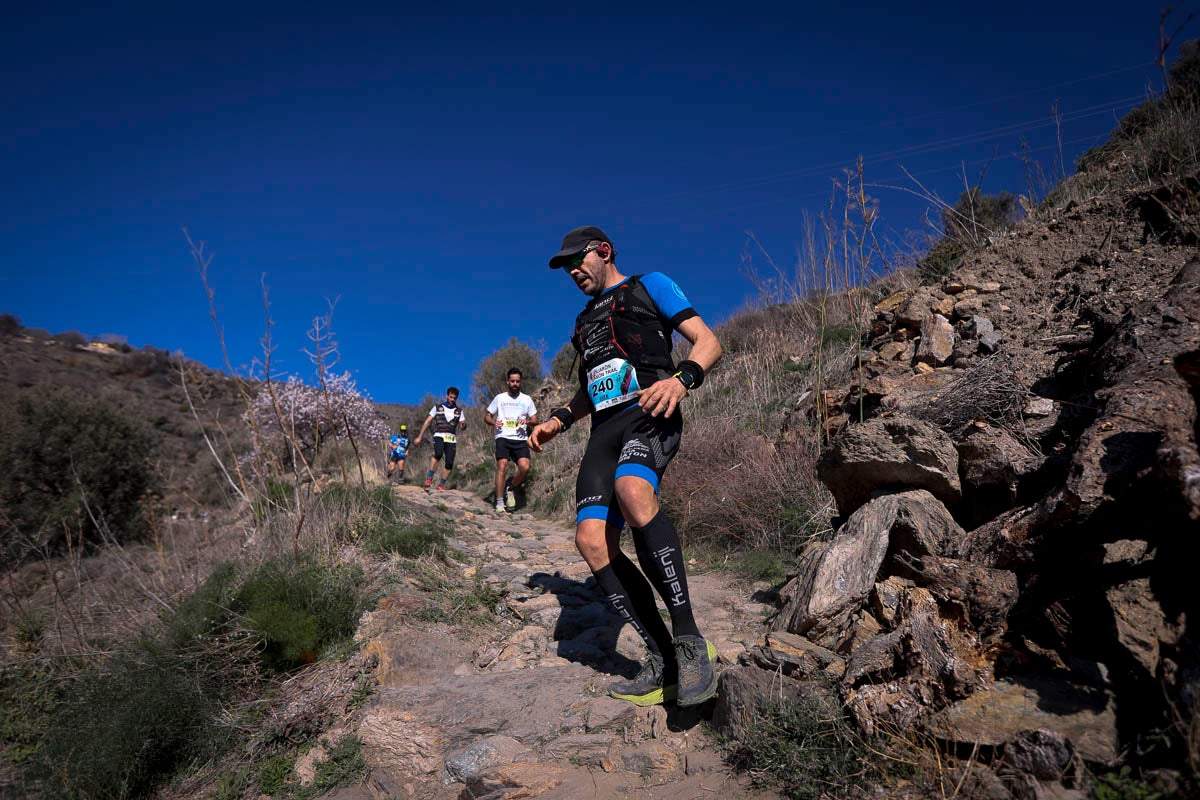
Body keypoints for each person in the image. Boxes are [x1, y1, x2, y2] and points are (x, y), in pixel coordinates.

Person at [530, 225, 723, 708]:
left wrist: (683, 380)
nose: (573, 270)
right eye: (565, 267)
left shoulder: (647, 284)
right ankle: (661, 658)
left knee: (634, 493)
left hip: (650, 409)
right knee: (590, 540)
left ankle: (690, 643)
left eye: (578, 260)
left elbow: (707, 342)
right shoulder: (583, 321)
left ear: (604, 251)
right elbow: (590, 386)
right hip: (603, 431)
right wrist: (559, 419)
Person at [484, 368, 538, 513]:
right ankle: (500, 502)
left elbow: (535, 419)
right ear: (508, 382)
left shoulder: (526, 399)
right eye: (512, 381)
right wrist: (493, 422)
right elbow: (487, 416)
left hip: (520, 438)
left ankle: (511, 487)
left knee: (525, 467)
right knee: (502, 465)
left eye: (517, 381)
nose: (515, 384)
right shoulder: (500, 398)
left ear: (520, 382)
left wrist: (527, 421)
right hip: (503, 436)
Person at [414, 387, 467, 491]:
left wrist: (463, 426)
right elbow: (427, 421)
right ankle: (429, 478)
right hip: (439, 435)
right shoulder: (437, 408)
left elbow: (463, 426)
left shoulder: (459, 411)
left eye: (454, 398)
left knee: (449, 463)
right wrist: (420, 436)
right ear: (447, 396)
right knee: (438, 454)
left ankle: (441, 484)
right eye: (450, 397)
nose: (452, 399)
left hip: (451, 438)